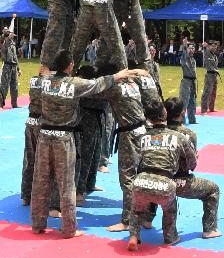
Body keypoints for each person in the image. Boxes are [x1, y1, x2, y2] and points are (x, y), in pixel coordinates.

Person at [31, 49, 134, 238]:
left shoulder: (44, 82)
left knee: (41, 181)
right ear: (70, 66)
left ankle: (37, 224)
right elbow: (96, 84)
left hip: (44, 135)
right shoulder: (74, 85)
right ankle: (69, 228)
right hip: (63, 138)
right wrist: (117, 76)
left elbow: (45, 75)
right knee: (67, 184)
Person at [127, 98, 197, 251]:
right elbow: (192, 163)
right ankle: (170, 237)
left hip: (141, 181)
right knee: (170, 208)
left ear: (148, 118)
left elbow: (135, 162)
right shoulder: (179, 137)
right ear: (165, 113)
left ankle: (134, 235)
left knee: (136, 208)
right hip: (165, 182)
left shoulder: (142, 137)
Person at [97, 64, 152, 232]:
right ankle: (145, 216)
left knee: (127, 177)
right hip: (143, 130)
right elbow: (143, 73)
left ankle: (128, 221)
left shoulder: (115, 89)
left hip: (130, 134)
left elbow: (94, 89)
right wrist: (134, 71)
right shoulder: (133, 84)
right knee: (142, 173)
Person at [164, 96, 222, 239]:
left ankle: (147, 219)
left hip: (158, 180)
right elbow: (192, 165)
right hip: (180, 181)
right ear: (183, 112)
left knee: (154, 173)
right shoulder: (188, 134)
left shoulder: (157, 131)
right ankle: (210, 229)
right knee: (213, 189)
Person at [75, 65, 109, 205]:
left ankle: (90, 183)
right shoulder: (84, 89)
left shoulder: (95, 86)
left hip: (97, 122)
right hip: (86, 122)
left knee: (95, 155)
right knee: (85, 157)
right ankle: (79, 190)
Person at [22, 66, 50, 206]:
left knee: (29, 159)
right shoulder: (47, 82)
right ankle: (40, 196)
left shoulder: (34, 79)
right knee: (43, 162)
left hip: (31, 121)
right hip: (41, 123)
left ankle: (26, 195)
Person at [0, 29, 21, 109]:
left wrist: (19, 69)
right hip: (7, 66)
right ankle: (0, 104)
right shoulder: (4, 42)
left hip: (14, 67)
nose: (13, 38)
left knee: (14, 86)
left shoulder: (12, 44)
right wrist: (8, 35)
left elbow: (15, 57)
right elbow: (4, 41)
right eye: (11, 36)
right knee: (4, 86)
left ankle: (14, 104)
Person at [179, 42, 198, 124]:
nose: (191, 50)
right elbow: (184, 54)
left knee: (192, 102)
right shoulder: (184, 58)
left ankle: (192, 120)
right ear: (187, 50)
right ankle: (181, 121)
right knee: (184, 102)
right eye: (190, 48)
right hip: (186, 82)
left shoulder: (193, 60)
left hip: (193, 82)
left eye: (193, 48)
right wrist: (184, 46)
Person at [200, 41, 220, 114]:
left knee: (213, 93)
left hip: (215, 75)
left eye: (215, 46)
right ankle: (204, 110)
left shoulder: (214, 56)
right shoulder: (207, 53)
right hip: (209, 75)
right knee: (207, 93)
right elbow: (205, 49)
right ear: (209, 47)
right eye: (212, 46)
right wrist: (205, 46)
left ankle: (211, 108)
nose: (214, 47)